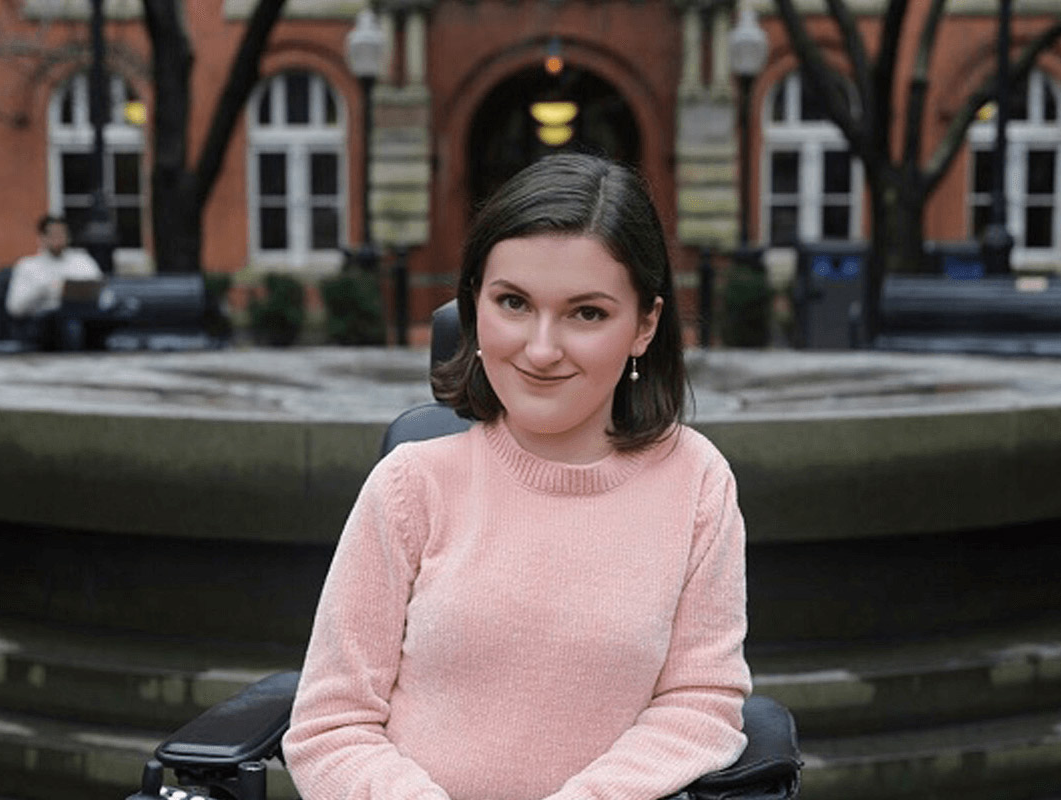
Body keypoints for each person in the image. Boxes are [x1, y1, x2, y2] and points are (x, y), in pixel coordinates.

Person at [283, 153, 751, 800]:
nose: (539, 348)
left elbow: (701, 702)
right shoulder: (410, 485)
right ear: (474, 304)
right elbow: (330, 726)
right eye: (513, 303)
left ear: (644, 325)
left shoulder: (695, 482)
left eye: (586, 313)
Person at [5, 214, 102, 348]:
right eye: (53, 235)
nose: (59, 239)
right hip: (43, 323)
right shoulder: (28, 266)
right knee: (70, 326)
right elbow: (15, 308)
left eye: (62, 234)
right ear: (42, 238)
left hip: (85, 317)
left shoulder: (82, 261)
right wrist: (45, 289)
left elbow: (100, 290)